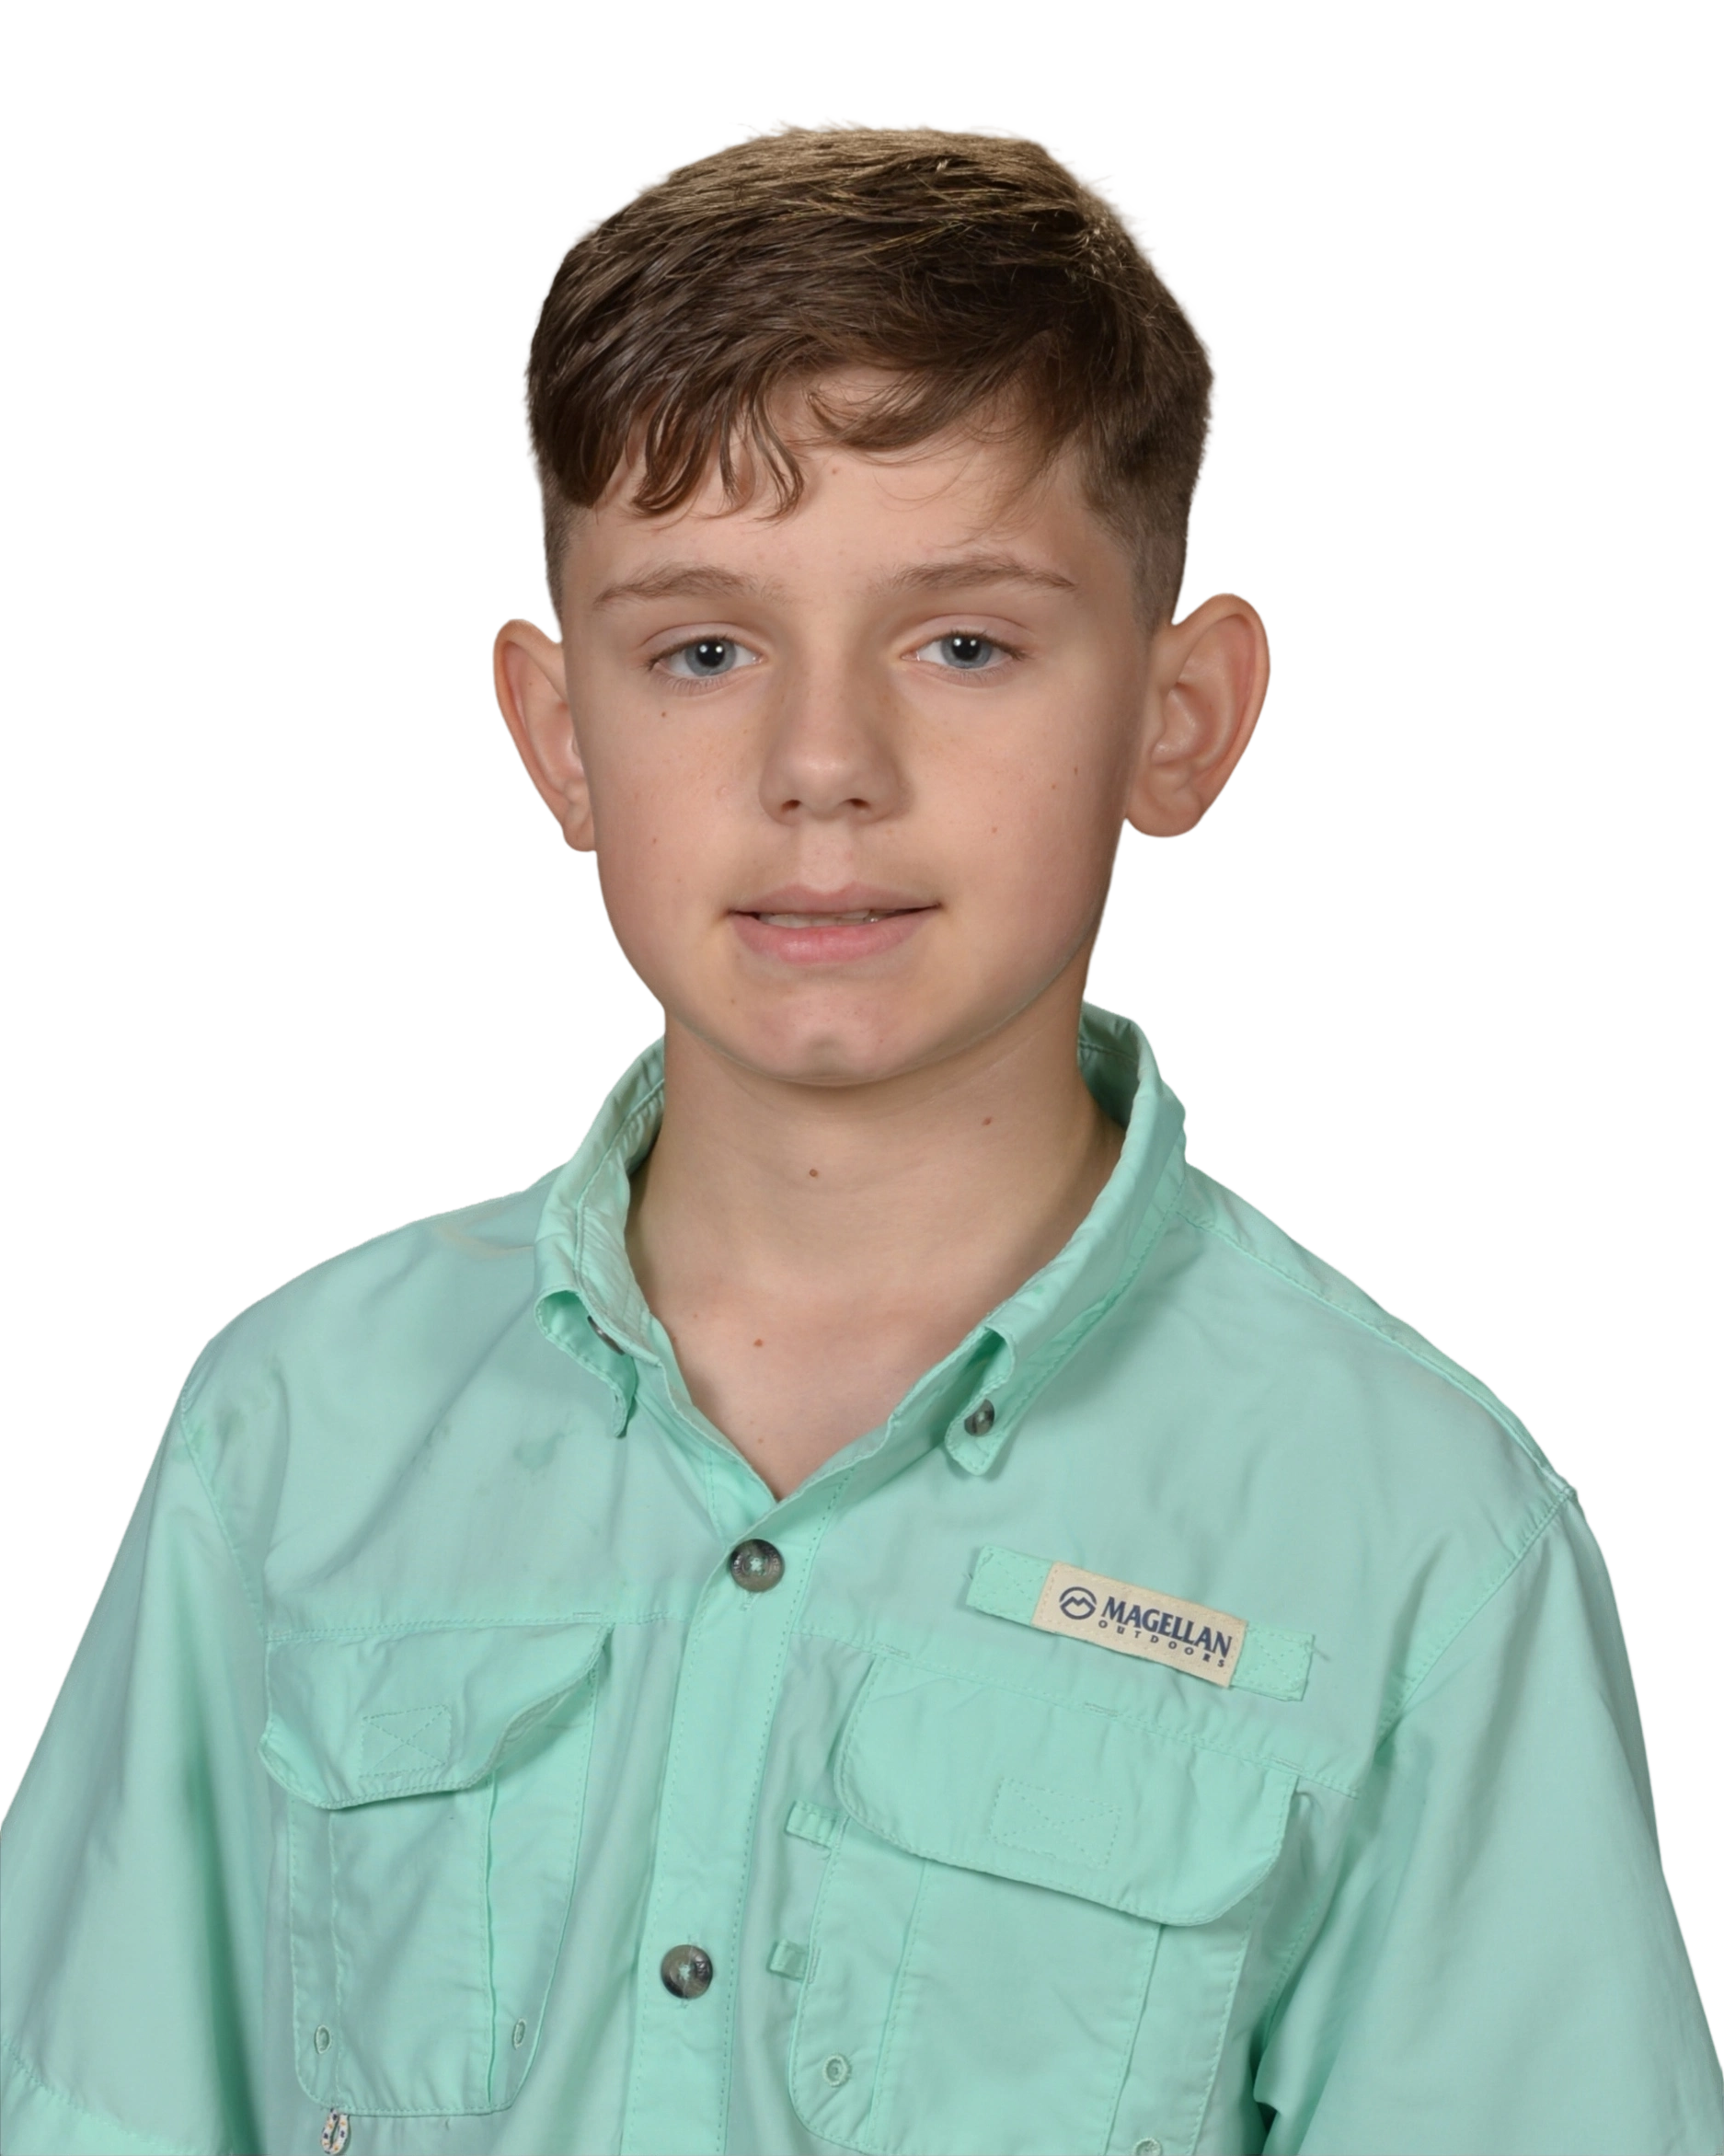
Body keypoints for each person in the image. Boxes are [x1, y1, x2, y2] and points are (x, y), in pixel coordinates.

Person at [2, 113, 1718, 2156]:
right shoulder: (296, 1430)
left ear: (1180, 715)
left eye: (963, 643)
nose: (823, 765)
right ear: (557, 732)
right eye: (704, 649)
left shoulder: (1418, 1532)